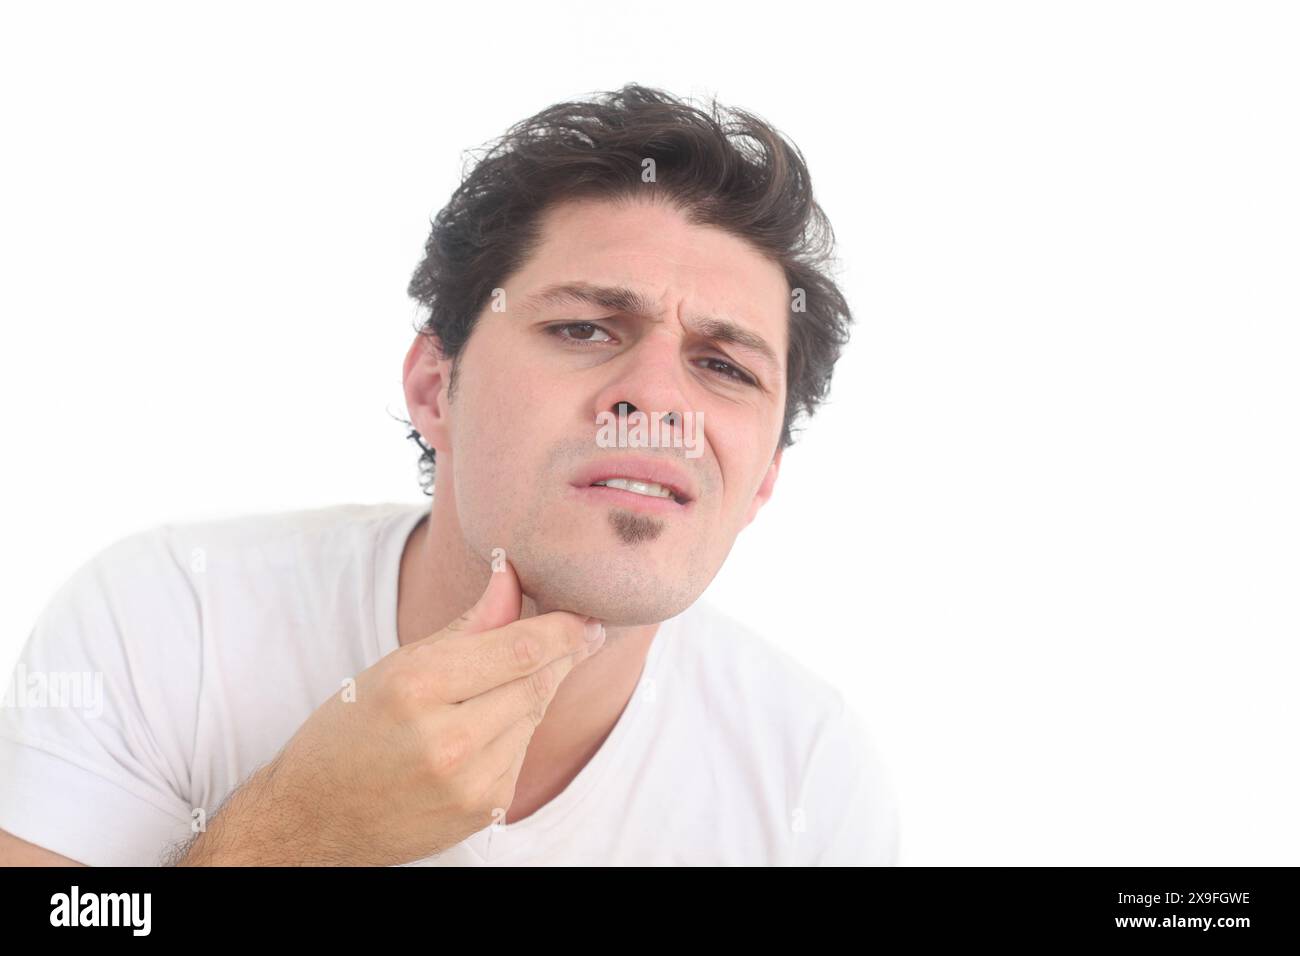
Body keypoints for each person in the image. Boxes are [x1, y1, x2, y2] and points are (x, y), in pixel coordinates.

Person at [0, 84, 899, 866]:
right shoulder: (162, 622)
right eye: (586, 328)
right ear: (437, 387)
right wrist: (302, 833)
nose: (657, 403)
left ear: (763, 483)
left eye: (727, 368)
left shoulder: (811, 774)